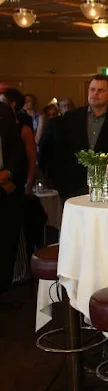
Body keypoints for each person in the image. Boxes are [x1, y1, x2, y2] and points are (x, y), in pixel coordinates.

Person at [39, 74, 108, 200]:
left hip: (106, 187)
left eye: (100, 90)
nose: (95, 94)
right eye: (92, 89)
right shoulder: (70, 117)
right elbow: (58, 153)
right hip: (72, 186)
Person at [0, 101, 26, 301]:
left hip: (7, 191)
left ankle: (3, 289)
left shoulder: (4, 110)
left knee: (7, 242)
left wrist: (9, 173)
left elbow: (17, 148)